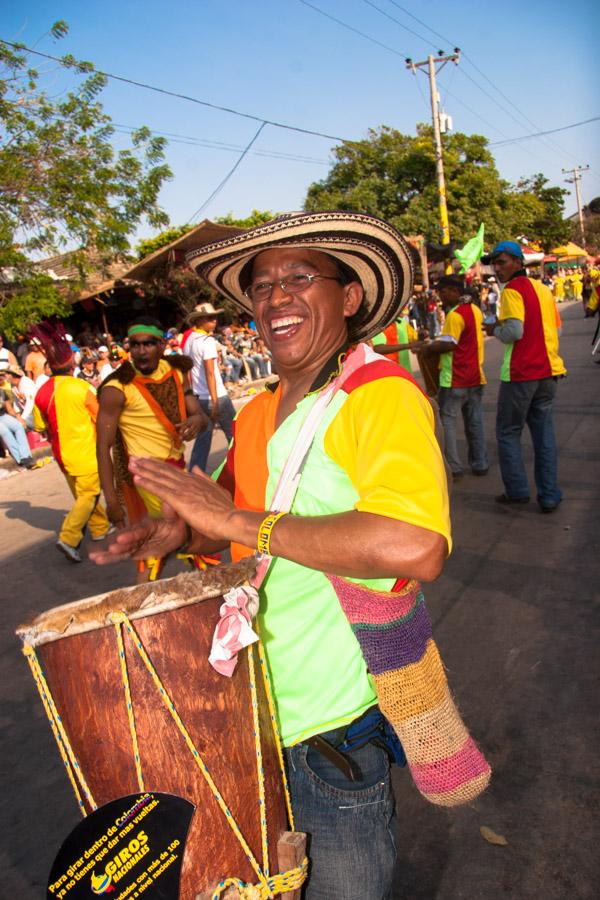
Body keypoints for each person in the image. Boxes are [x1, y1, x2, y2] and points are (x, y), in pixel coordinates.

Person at [92, 211, 456, 899]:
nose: (276, 297)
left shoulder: (378, 396)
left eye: (299, 278)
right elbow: (246, 540)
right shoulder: (259, 412)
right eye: (261, 287)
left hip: (333, 732)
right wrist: (183, 535)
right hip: (249, 715)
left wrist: (236, 518)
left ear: (348, 298)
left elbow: (417, 546)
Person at [96, 316, 207, 581]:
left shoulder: (175, 372)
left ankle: (213, 597)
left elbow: (199, 415)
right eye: (135, 345)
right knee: (172, 534)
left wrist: (196, 421)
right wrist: (111, 501)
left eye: (148, 344)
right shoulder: (116, 388)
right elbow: (103, 447)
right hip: (146, 475)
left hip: (176, 468)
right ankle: (144, 604)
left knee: (185, 537)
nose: (141, 350)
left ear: (161, 346)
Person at [483, 240, 566, 513]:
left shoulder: (511, 291)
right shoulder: (544, 290)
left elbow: (514, 332)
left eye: (502, 262)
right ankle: (549, 495)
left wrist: (495, 329)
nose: (497, 267)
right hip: (549, 373)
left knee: (508, 433)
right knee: (544, 435)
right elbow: (557, 329)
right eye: (495, 263)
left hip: (522, 374)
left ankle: (517, 491)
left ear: (518, 263)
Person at [32, 320, 111, 561]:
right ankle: (69, 537)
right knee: (88, 495)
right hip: (86, 453)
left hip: (61, 456)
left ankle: (99, 529)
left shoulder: (42, 392)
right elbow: (101, 417)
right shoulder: (81, 387)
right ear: (70, 363)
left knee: (84, 494)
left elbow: (39, 426)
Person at [420, 275, 489, 480]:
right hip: (476, 376)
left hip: (454, 377)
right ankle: (480, 463)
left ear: (455, 292)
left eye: (443, 291)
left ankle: (454, 467)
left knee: (448, 423)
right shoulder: (475, 311)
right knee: (475, 422)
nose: (441, 296)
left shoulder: (455, 315)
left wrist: (430, 346)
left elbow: (449, 344)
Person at [183, 302, 236, 472]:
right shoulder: (207, 341)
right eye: (210, 318)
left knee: (203, 439)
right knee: (235, 435)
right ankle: (243, 467)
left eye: (214, 318)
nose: (214, 321)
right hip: (216, 396)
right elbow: (210, 373)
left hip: (200, 397)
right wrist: (214, 400)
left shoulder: (189, 340)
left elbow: (189, 371)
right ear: (200, 320)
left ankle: (196, 472)